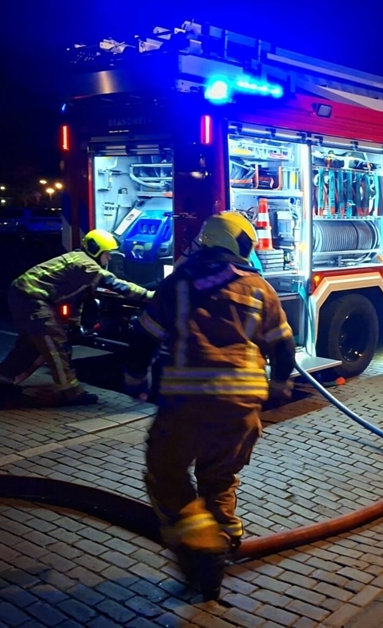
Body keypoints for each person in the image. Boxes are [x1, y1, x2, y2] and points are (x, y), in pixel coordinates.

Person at [122, 211, 296, 599]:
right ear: (240, 244)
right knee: (219, 477)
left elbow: (143, 338)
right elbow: (284, 345)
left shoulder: (178, 284)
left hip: (186, 405)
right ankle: (227, 540)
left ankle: (204, 545)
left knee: (165, 472)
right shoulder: (259, 288)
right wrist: (280, 384)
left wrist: (135, 379)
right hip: (241, 408)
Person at [0, 229, 152, 405]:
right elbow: (117, 285)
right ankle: (71, 393)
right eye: (108, 254)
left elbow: (76, 301)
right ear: (96, 251)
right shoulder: (87, 266)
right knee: (56, 345)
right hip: (32, 299)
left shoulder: (79, 261)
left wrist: (74, 326)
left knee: (28, 347)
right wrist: (150, 295)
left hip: (24, 296)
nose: (109, 258)